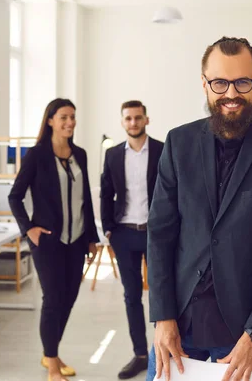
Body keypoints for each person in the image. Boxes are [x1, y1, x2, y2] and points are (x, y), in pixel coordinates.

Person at [146, 36, 252, 381]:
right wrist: (162, 317)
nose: (231, 94)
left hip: (240, 332)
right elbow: (160, 235)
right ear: (204, 83)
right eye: (219, 82)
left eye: (242, 82)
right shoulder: (178, 143)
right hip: (177, 325)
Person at [8, 98, 99, 381]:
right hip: (48, 242)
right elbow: (15, 196)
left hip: (77, 241)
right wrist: (28, 229)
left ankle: (51, 352)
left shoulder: (80, 154)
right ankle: (51, 367)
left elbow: (85, 199)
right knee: (52, 299)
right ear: (50, 120)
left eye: (73, 117)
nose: (70, 122)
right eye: (63, 117)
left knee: (69, 298)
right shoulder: (36, 156)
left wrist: (91, 238)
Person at [100, 100, 164, 379]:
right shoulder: (113, 154)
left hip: (156, 232)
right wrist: (108, 229)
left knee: (162, 294)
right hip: (124, 233)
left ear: (146, 120)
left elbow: (174, 192)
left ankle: (164, 352)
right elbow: (105, 192)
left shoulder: (162, 150)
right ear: (122, 122)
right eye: (128, 119)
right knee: (131, 296)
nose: (133, 123)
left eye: (138, 118)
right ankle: (140, 354)